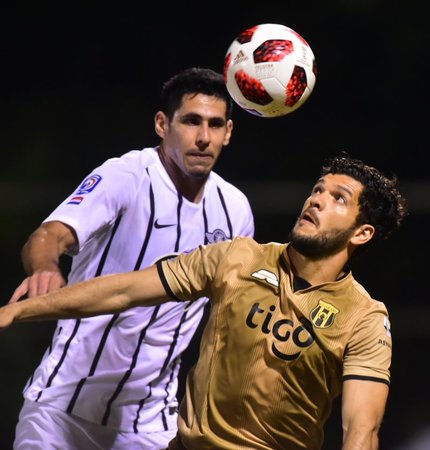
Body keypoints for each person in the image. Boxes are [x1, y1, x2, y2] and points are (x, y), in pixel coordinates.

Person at [1, 155, 407, 450]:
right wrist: (19, 309)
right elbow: (122, 290)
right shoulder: (237, 257)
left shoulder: (364, 318)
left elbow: (360, 431)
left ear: (362, 233)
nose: (316, 200)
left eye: (338, 198)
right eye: (318, 189)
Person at [8, 67, 255, 449]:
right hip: (60, 411)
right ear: (162, 124)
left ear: (229, 132)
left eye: (215, 124)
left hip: (149, 425)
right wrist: (45, 267)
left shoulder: (235, 210)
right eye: (191, 122)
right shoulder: (126, 177)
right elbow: (49, 234)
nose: (204, 137)